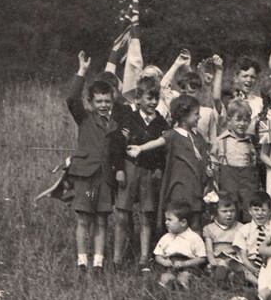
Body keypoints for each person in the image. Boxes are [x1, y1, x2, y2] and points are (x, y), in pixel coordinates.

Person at [66, 51, 121, 274]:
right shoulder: (84, 117)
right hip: (86, 179)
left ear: (112, 101)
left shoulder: (116, 123)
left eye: (107, 101)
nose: (103, 105)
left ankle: (98, 263)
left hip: (105, 179)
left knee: (102, 220)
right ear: (91, 102)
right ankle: (82, 262)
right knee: (84, 219)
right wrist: (82, 71)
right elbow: (72, 99)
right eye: (99, 101)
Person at [127, 94, 211, 232]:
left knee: (196, 222)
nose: (199, 117)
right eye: (196, 114)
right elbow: (158, 142)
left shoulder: (198, 137)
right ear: (184, 115)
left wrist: (208, 178)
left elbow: (205, 158)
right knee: (178, 219)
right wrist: (140, 148)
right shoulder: (173, 135)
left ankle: (195, 245)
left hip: (195, 187)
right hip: (179, 187)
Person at [111, 75, 169, 271]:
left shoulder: (161, 123)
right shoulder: (129, 119)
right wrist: (119, 169)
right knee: (122, 214)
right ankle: (117, 257)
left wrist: (159, 169)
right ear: (138, 99)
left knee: (146, 214)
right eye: (148, 98)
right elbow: (118, 146)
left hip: (149, 172)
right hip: (129, 169)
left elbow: (163, 151)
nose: (153, 102)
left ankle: (144, 257)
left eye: (156, 98)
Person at [212, 99, 258, 221]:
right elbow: (214, 161)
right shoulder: (221, 140)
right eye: (238, 119)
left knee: (248, 207)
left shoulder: (249, 142)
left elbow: (253, 161)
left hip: (246, 181)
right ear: (229, 120)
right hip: (228, 180)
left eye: (246, 120)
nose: (242, 124)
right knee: (230, 207)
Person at [153, 200, 207, 289]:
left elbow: (202, 258)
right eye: (166, 219)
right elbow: (158, 255)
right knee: (165, 277)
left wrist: (185, 263)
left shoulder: (194, 238)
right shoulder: (166, 238)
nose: (166, 222)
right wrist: (164, 261)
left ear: (183, 222)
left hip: (189, 267)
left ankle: (182, 288)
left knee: (185, 276)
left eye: (169, 220)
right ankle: (166, 288)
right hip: (171, 266)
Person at [232, 192, 271, 287]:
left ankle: (260, 281)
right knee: (237, 265)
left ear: (270, 212)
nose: (259, 213)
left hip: (268, 262)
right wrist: (253, 269)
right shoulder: (244, 230)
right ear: (250, 211)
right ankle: (259, 284)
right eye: (256, 210)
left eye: (263, 210)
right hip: (250, 263)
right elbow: (243, 257)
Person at [202, 191, 244, 286]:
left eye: (232, 211)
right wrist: (212, 259)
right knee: (221, 264)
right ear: (215, 212)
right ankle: (220, 282)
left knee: (238, 267)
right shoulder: (209, 228)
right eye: (224, 211)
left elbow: (242, 248)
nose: (229, 214)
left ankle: (234, 280)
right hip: (217, 259)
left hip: (234, 258)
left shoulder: (240, 227)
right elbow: (209, 250)